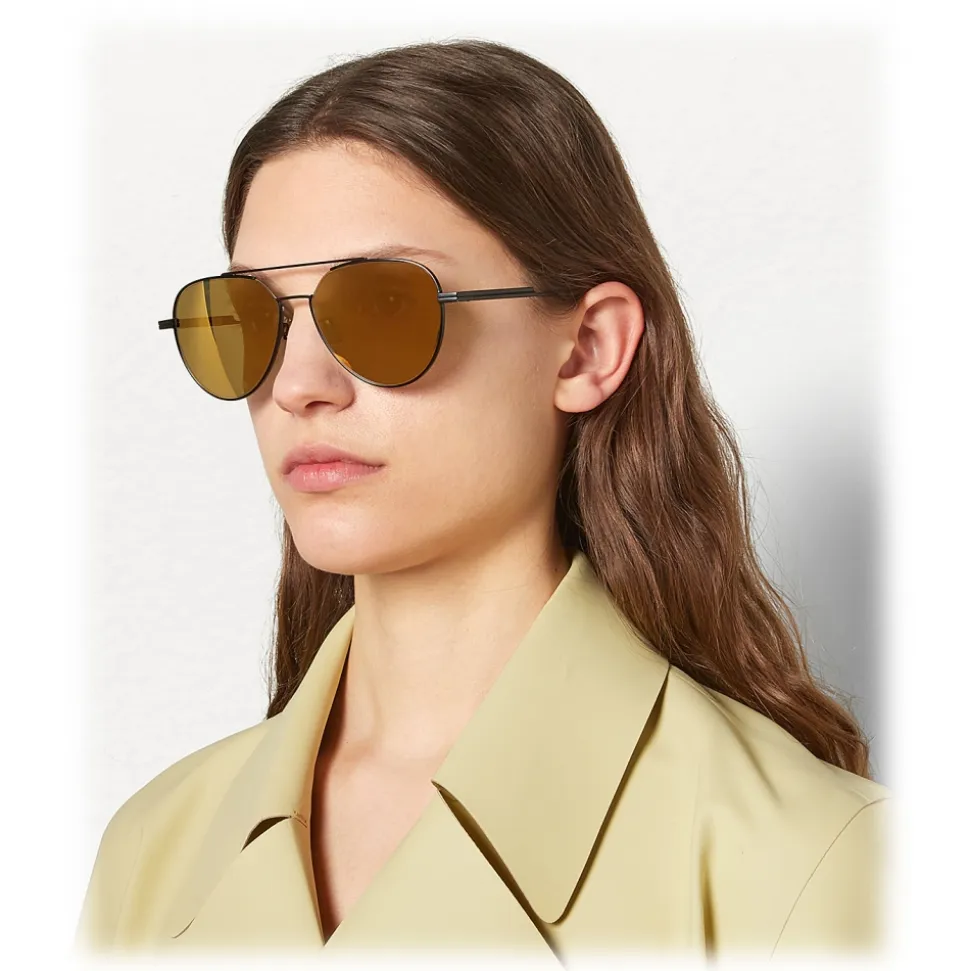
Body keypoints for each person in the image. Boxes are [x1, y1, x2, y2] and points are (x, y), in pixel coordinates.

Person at [76, 38, 889, 959]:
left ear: (587, 349)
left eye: (384, 306)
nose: (297, 384)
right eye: (250, 319)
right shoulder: (152, 851)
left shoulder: (809, 860)